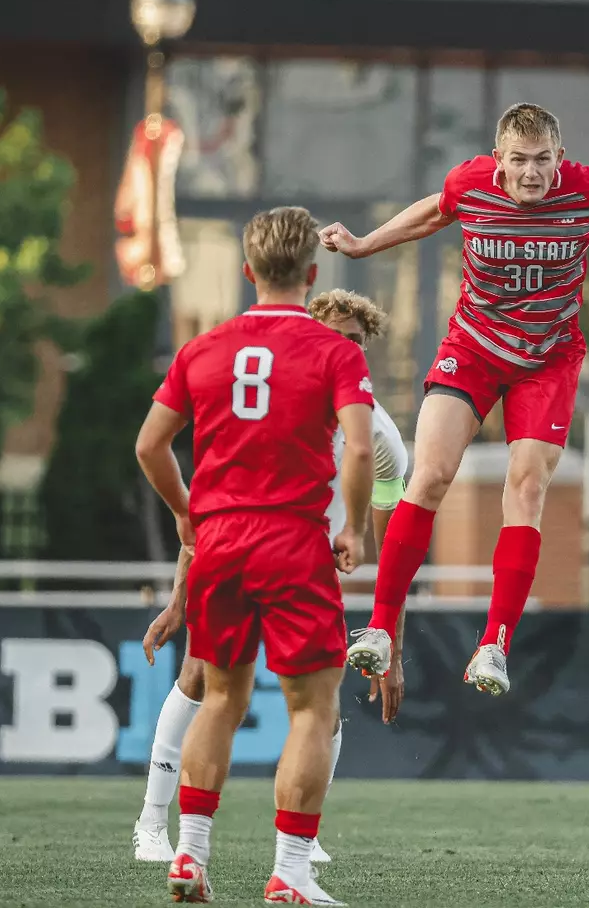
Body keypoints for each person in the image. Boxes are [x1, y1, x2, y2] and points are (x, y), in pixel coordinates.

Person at [320, 102, 589, 695]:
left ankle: (494, 644)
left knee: (528, 485)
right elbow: (434, 211)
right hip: (474, 347)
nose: (531, 174)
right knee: (428, 473)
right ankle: (379, 627)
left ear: (560, 159)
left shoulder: (587, 189)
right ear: (498, 159)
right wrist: (361, 246)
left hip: (548, 358)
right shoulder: (471, 184)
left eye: (542, 161)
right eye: (518, 161)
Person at [134, 207, 374, 906]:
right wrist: (354, 527)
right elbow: (359, 448)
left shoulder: (203, 349)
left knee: (219, 699)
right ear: (312, 274)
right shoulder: (336, 351)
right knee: (311, 711)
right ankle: (291, 875)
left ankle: (190, 858)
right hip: (293, 540)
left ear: (247, 272)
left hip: (219, 544)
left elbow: (150, 445)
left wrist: (186, 511)